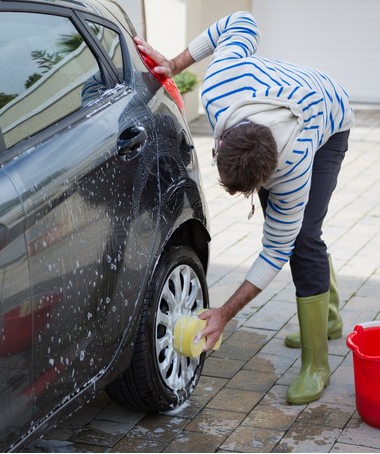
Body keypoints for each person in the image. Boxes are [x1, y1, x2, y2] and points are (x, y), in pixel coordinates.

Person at [135, 11, 354, 405]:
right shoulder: (220, 87)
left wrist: (224, 313)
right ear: (221, 140)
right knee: (293, 231)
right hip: (278, 89)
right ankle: (329, 316)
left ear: (271, 174)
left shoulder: (296, 165)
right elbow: (241, 21)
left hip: (329, 115)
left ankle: (317, 363)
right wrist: (174, 63)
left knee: (302, 238)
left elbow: (275, 251)